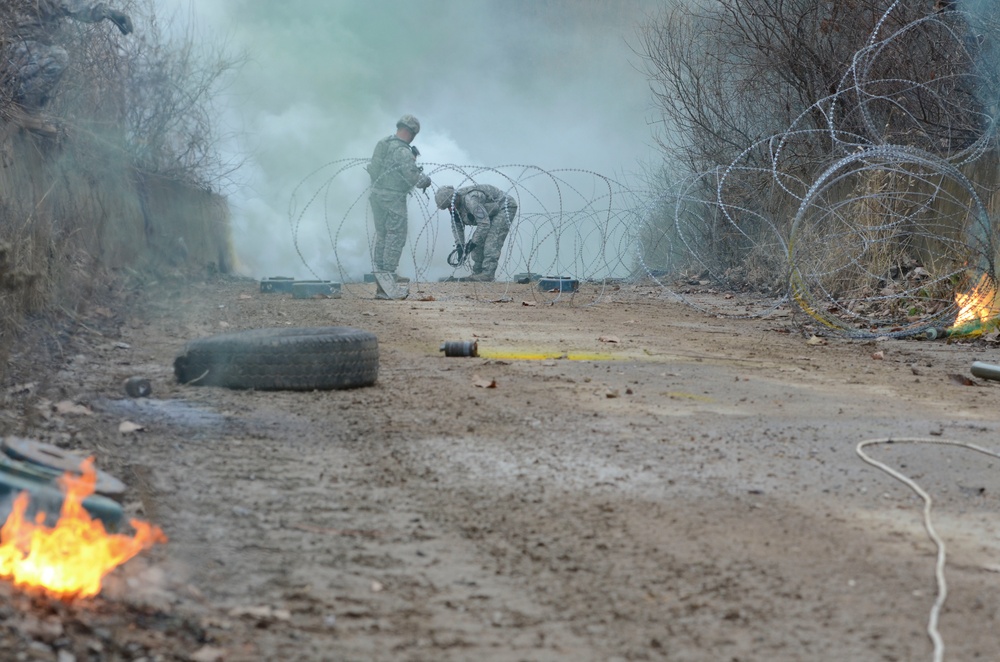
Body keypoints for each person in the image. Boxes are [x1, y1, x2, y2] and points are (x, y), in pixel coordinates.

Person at [3, 0, 134, 110]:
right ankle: (19, 105)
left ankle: (14, 97)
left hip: (11, 53)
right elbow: (78, 7)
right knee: (58, 58)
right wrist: (111, 13)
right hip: (15, 51)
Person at [366, 114, 431, 278]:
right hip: (393, 198)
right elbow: (412, 177)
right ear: (411, 132)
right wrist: (425, 180)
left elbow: (373, 169)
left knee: (382, 233)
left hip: (376, 195)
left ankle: (379, 270)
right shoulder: (403, 151)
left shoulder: (383, 143)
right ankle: (388, 272)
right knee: (396, 234)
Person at [435, 184, 517, 282]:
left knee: (492, 241)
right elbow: (457, 227)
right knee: (478, 242)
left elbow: (484, 223)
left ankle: (488, 274)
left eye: (449, 205)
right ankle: (478, 273)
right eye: (447, 207)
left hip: (504, 208)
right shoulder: (454, 209)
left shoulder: (472, 200)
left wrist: (472, 243)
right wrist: (460, 245)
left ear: (455, 198)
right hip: (490, 213)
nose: (450, 209)